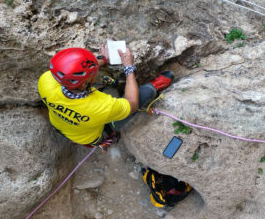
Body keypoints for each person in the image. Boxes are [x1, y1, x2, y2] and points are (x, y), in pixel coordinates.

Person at [38, 45, 174, 147]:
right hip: (93, 135)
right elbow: (132, 103)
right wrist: (128, 68)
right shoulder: (100, 106)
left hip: (63, 126)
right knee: (142, 95)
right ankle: (154, 86)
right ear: (84, 84)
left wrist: (102, 59)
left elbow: (69, 72)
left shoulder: (46, 81)